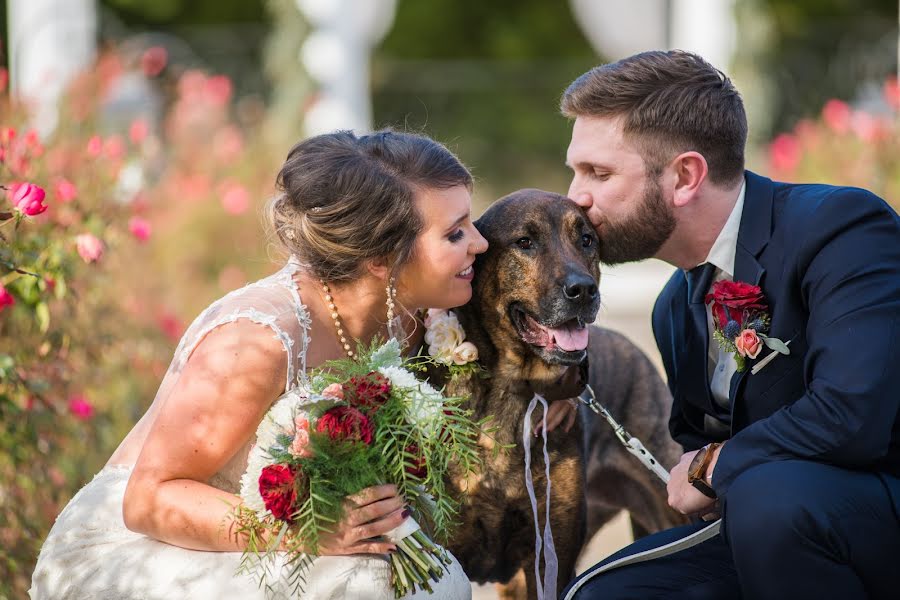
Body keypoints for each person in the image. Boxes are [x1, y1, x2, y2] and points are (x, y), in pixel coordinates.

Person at [30, 130, 489, 600]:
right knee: (372, 586)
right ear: (381, 258)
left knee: (431, 578)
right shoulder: (257, 341)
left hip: (246, 543)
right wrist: (314, 533)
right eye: (455, 233)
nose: (480, 243)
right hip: (138, 549)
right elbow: (149, 500)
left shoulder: (414, 318)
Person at [559, 50, 900, 599]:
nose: (576, 196)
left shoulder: (841, 230)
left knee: (770, 499)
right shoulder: (674, 305)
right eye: (575, 170)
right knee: (601, 592)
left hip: (869, 519)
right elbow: (699, 449)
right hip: (769, 535)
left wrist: (714, 467)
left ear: (686, 176)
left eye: (598, 172)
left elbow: (852, 414)